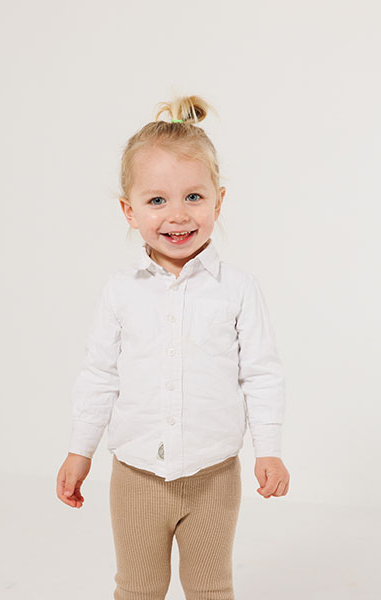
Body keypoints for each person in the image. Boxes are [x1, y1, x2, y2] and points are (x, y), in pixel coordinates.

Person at [56, 94, 290, 600]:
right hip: (136, 476)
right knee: (138, 588)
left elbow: (261, 374)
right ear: (129, 210)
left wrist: (268, 449)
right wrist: (80, 450)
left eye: (194, 197)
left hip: (214, 477)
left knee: (210, 587)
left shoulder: (238, 289)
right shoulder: (120, 291)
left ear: (219, 201)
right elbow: (100, 374)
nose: (178, 216)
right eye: (157, 200)